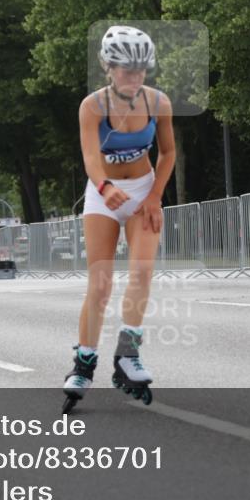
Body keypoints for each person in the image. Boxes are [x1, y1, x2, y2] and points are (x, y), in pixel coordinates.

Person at [62, 25, 175, 413]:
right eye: (127, 70)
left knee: (142, 272)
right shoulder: (91, 106)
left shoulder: (158, 102)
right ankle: (84, 361)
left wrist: (156, 196)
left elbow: (168, 153)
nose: (135, 77)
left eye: (142, 70)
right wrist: (106, 186)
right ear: (107, 67)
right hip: (103, 191)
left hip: (143, 189)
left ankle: (128, 354)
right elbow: (91, 157)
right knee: (101, 283)